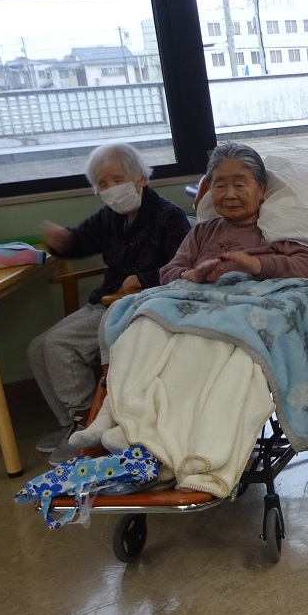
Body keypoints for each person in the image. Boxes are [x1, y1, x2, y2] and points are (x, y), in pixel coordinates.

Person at [28, 143, 191, 464]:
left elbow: (184, 267)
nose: (111, 188)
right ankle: (69, 423)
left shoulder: (169, 217)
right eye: (102, 183)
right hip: (107, 301)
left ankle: (85, 423)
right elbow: (78, 242)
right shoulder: (111, 217)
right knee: (37, 347)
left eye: (118, 179)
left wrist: (142, 278)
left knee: (59, 345)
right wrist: (62, 241)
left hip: (144, 306)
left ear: (140, 178)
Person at [160, 142, 308, 286]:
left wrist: (257, 264)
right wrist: (190, 275)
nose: (230, 195)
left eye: (239, 185)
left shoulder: (279, 227)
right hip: (203, 305)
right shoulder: (202, 232)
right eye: (220, 186)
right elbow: (168, 272)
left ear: (261, 189)